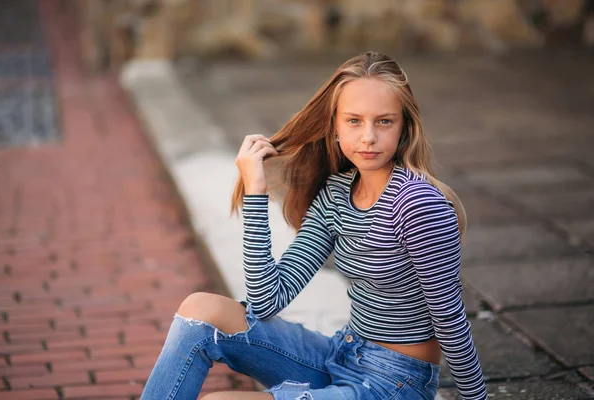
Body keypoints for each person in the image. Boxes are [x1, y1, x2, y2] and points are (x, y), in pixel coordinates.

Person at [141, 51, 488, 400]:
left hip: (394, 385)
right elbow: (265, 301)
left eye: (384, 121)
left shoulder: (417, 204)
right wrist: (256, 193)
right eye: (354, 121)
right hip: (341, 355)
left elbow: (450, 319)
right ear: (334, 125)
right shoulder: (337, 194)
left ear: (404, 127)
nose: (368, 136)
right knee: (200, 310)